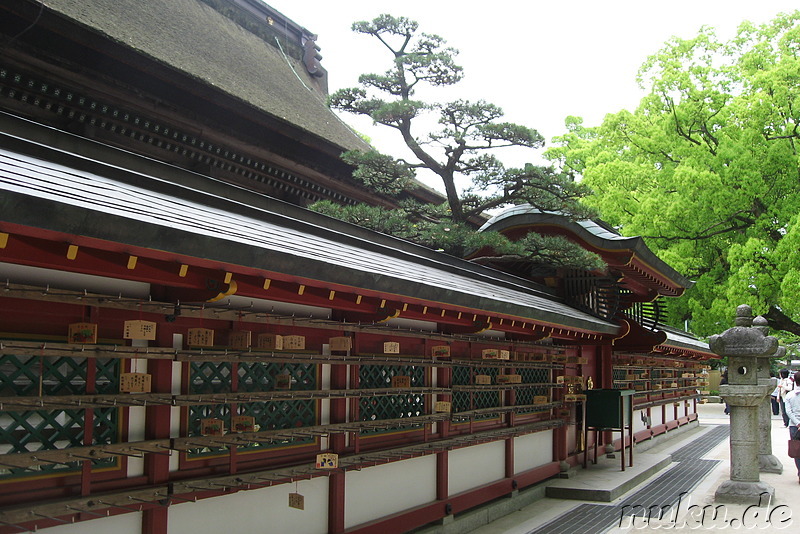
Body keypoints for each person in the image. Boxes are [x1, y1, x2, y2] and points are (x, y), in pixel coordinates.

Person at [783, 371, 800, 483]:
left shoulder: (790, 395)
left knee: (797, 450)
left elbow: (788, 411)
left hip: (794, 426)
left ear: (794, 380)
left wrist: (798, 423)